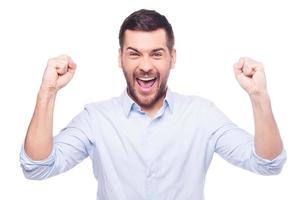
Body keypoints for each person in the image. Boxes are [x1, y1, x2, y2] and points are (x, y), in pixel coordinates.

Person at [20, 9, 287, 200]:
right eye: (134, 54)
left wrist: (258, 97)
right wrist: (48, 92)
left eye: (156, 54)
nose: (145, 66)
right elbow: (37, 167)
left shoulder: (201, 115)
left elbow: (267, 163)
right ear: (120, 58)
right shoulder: (95, 119)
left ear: (172, 57)